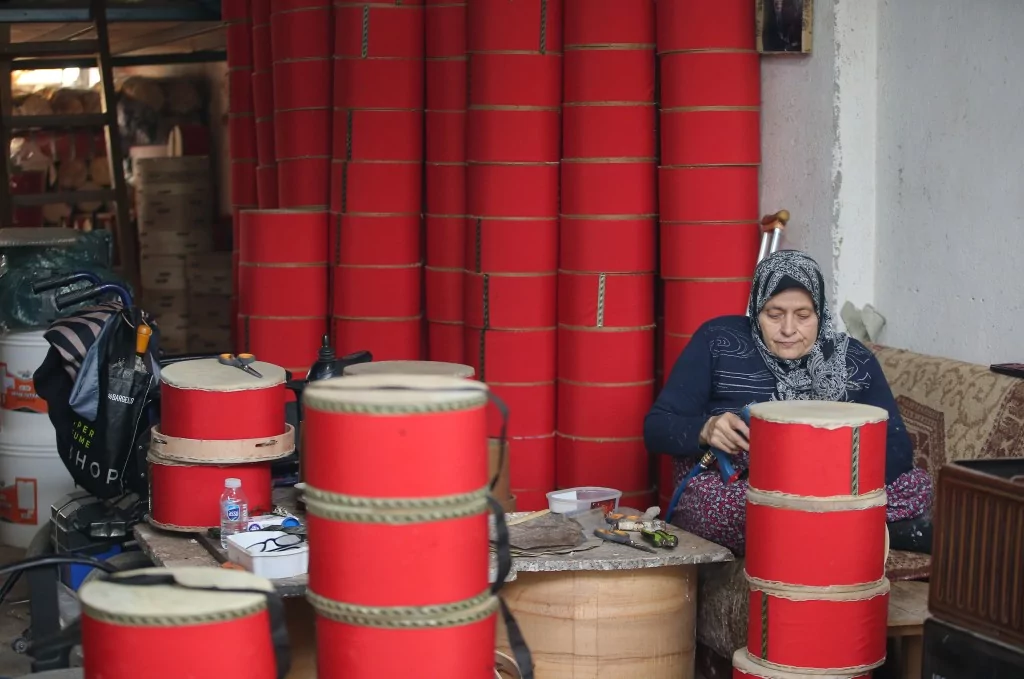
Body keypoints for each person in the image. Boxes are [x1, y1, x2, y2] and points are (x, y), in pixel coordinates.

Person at [645, 250, 933, 555]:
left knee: (914, 488)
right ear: (756, 309)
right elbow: (657, 427)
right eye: (774, 314)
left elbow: (897, 448)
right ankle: (859, 533)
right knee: (750, 508)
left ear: (819, 312)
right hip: (744, 486)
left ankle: (820, 532)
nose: (787, 329)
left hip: (834, 486)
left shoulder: (852, 360)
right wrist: (706, 429)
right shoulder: (718, 342)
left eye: (803, 315)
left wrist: (823, 481)